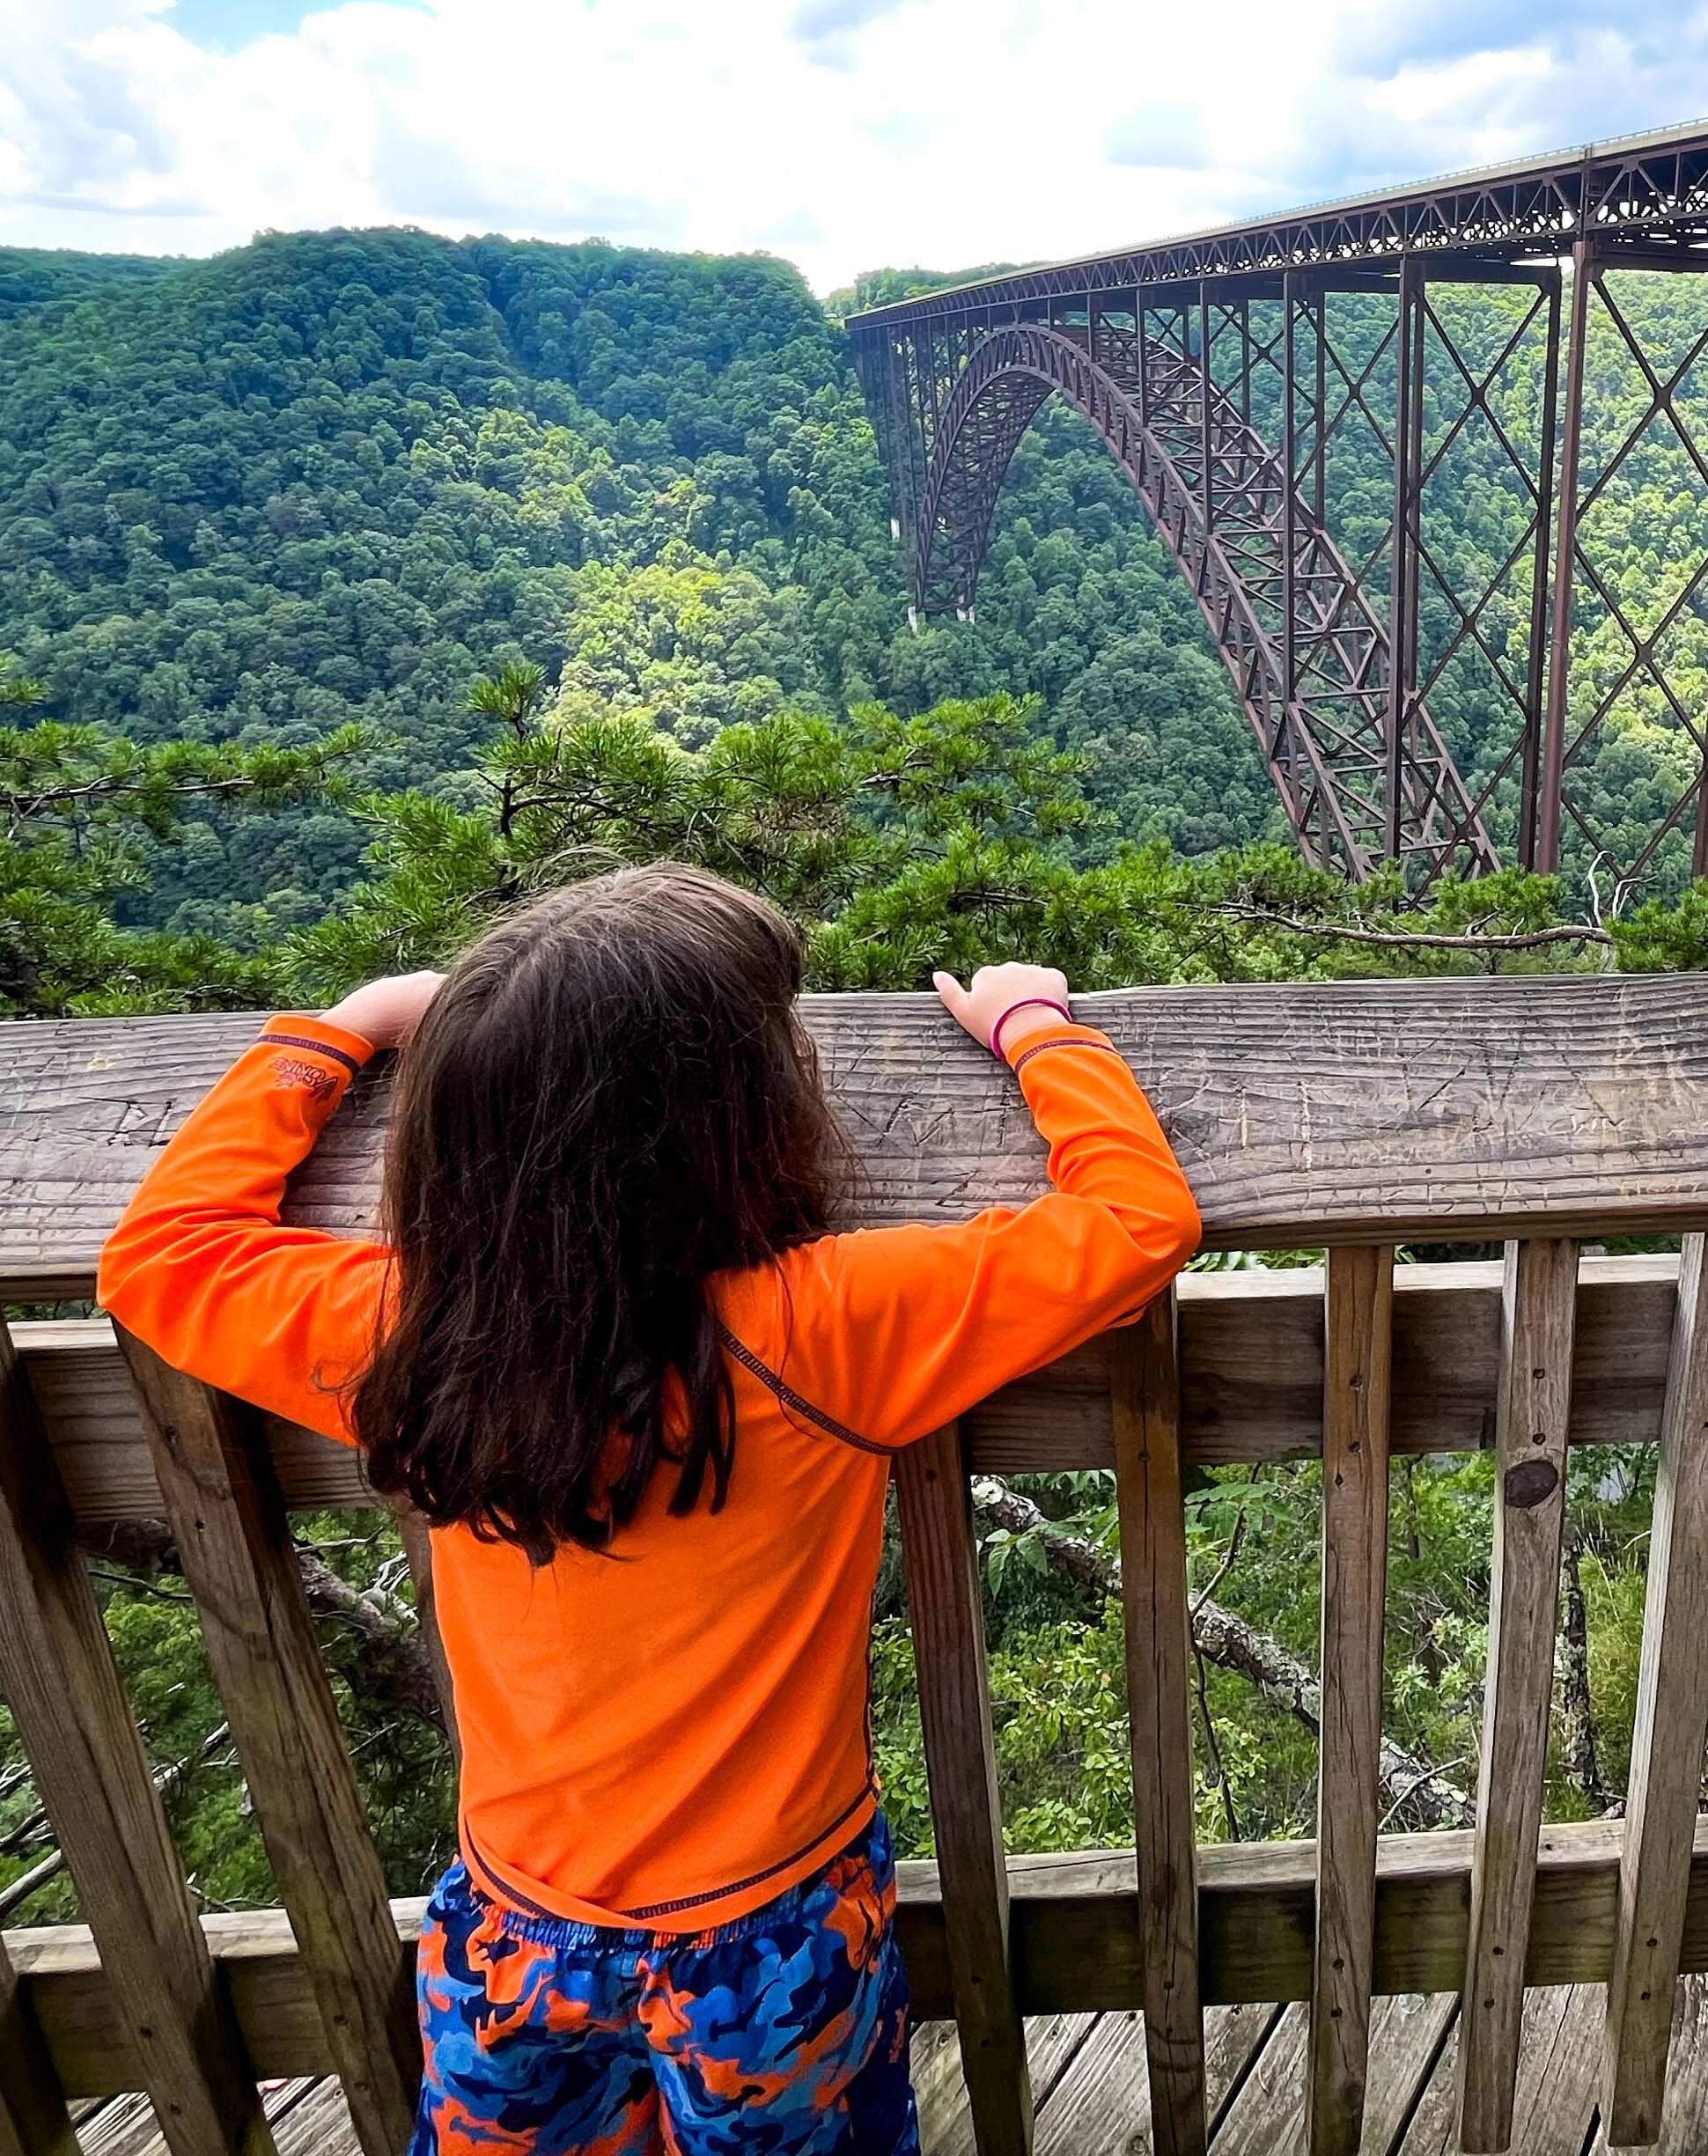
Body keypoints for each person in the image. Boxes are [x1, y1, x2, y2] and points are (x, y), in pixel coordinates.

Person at [99, 863, 1200, 2156]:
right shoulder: (825, 1326)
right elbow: (1139, 1220)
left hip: (514, 1930)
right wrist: (1034, 1027)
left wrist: (340, 1030)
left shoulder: (416, 1336)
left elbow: (157, 1253)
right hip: (769, 1939)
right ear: (744, 1120)